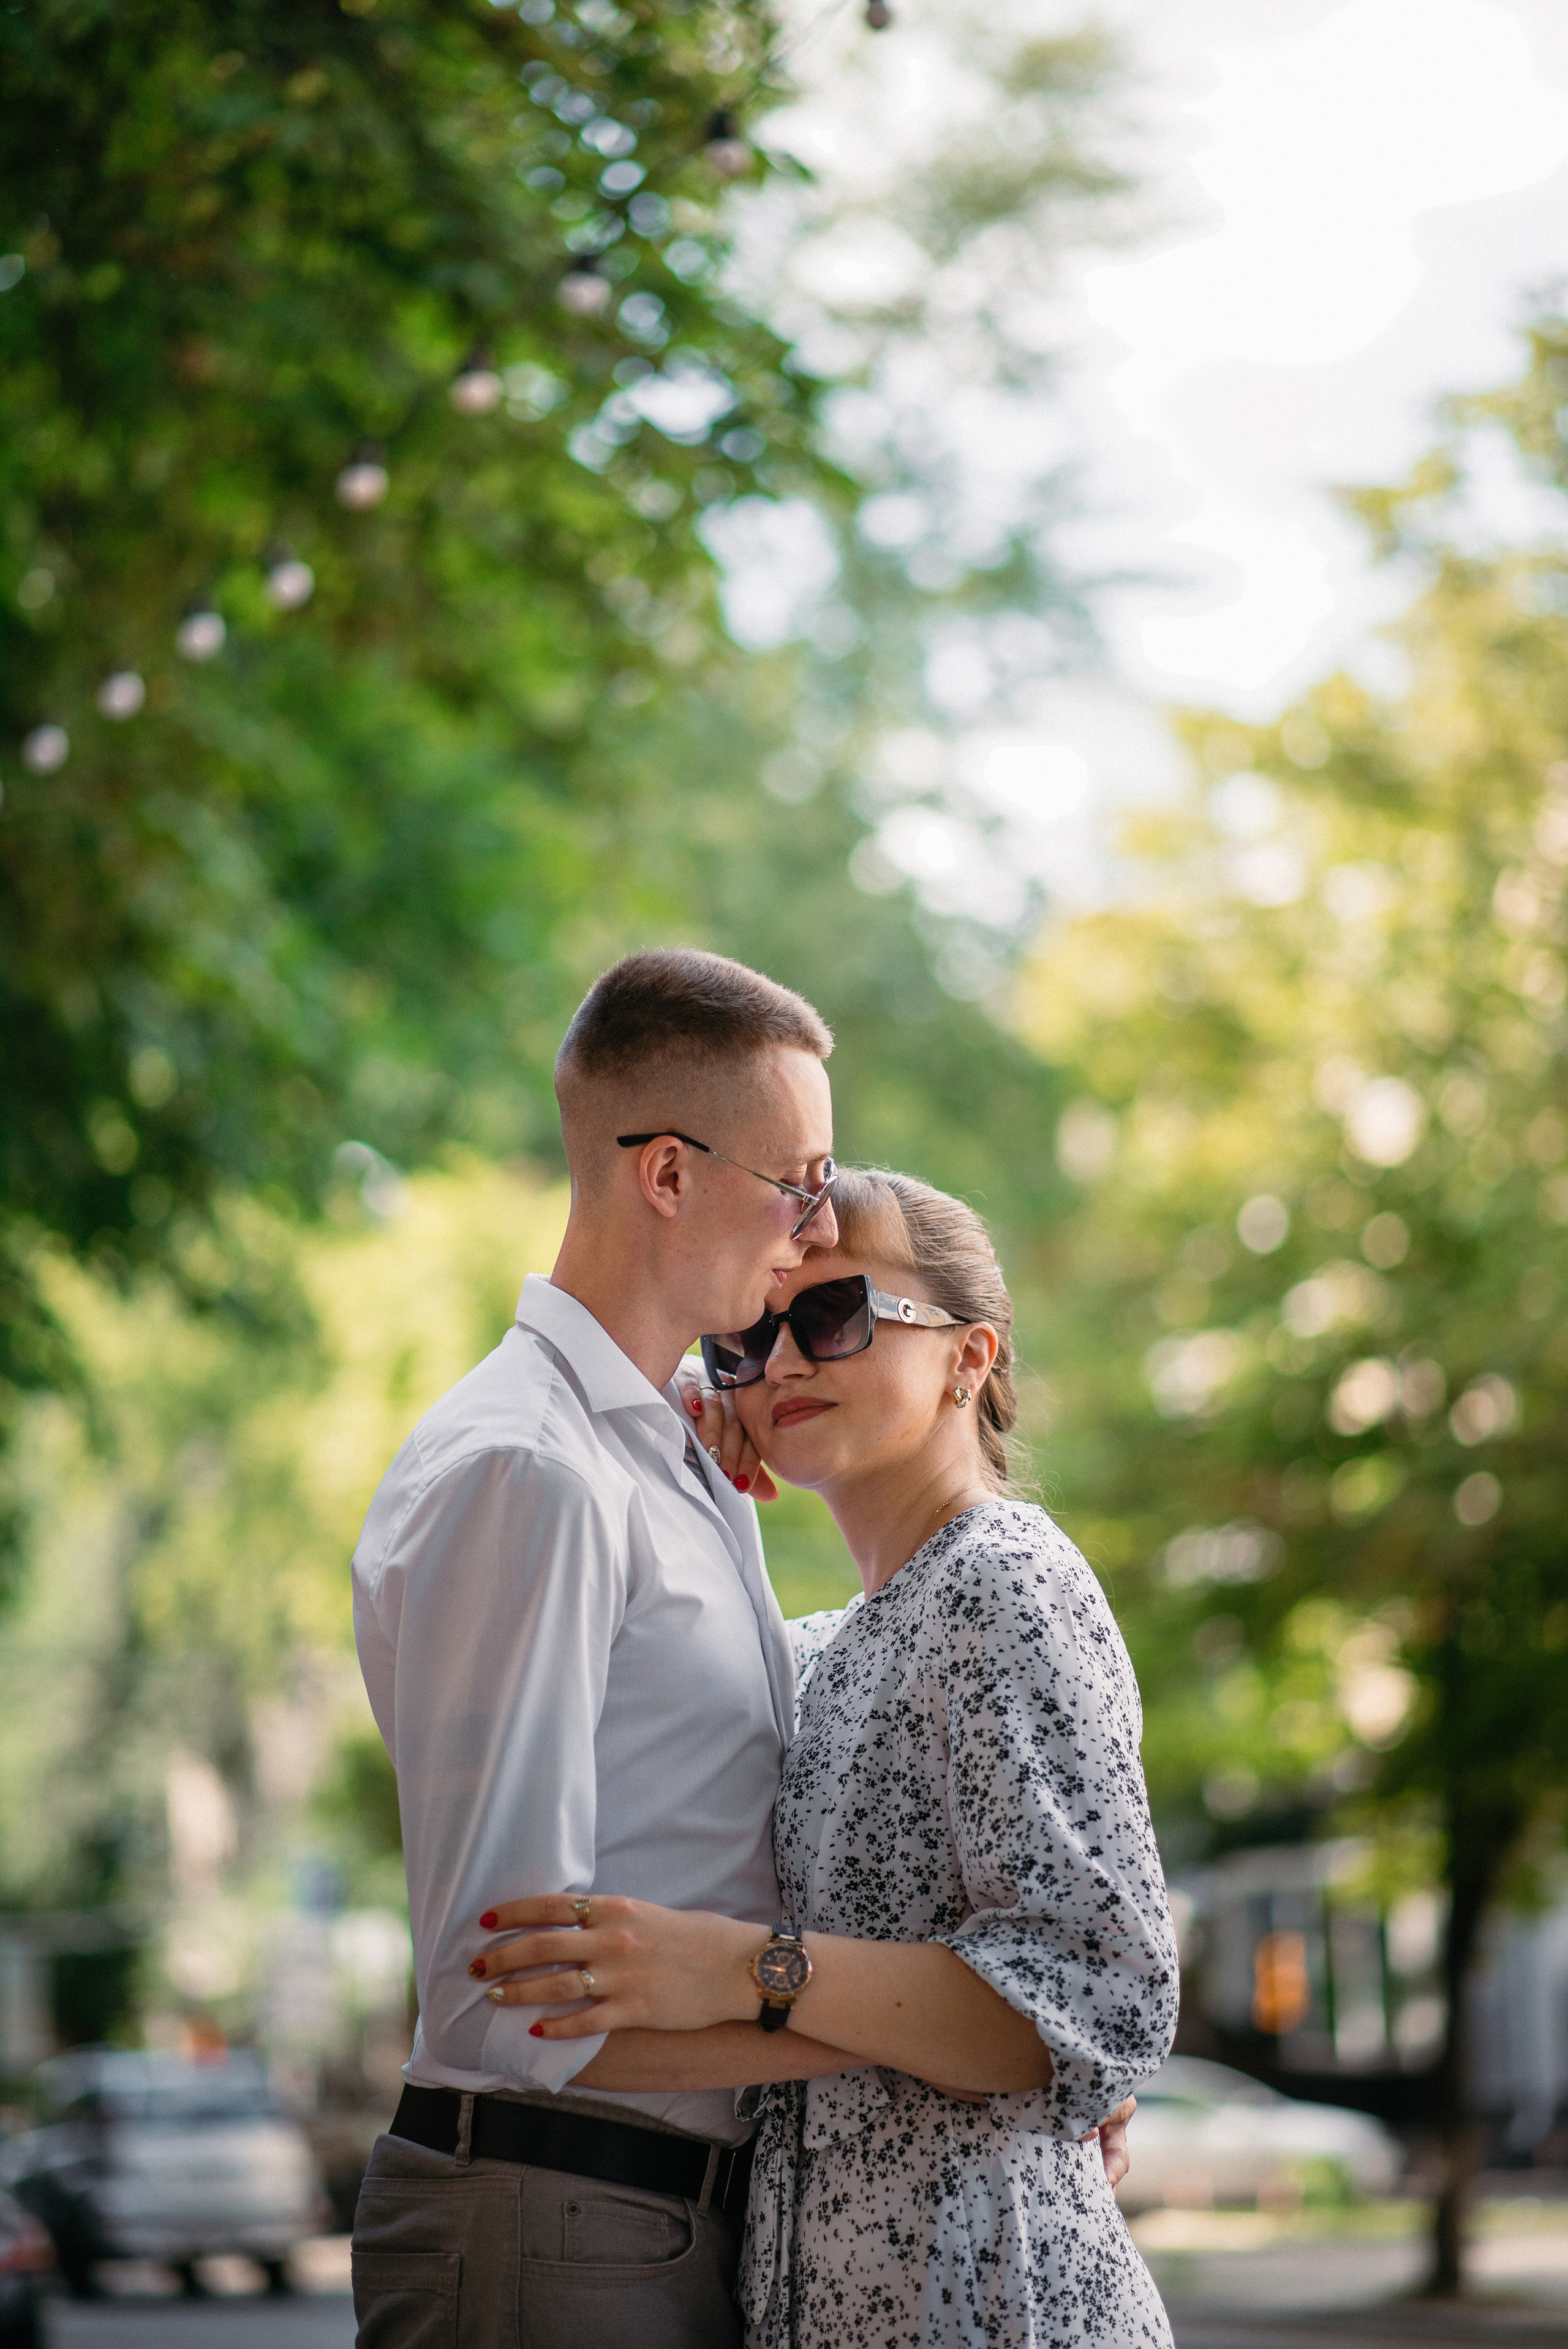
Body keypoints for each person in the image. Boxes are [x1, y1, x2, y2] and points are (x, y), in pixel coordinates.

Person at [474, 1167, 1180, 2348]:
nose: (784, 1362)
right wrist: (683, 1442)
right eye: (749, 1337)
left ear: (970, 1355)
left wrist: (748, 1971)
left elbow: (1102, 1990)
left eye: (835, 1314)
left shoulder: (1005, 1584)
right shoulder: (823, 1648)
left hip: (998, 2307)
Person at [349, 947, 868, 2349]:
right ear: (665, 1174)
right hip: (550, 2226)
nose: (815, 1234)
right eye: (798, 1181)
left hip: (644, 2224)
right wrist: (924, 2039)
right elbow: (509, 2000)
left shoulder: (666, 1450)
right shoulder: (532, 1474)